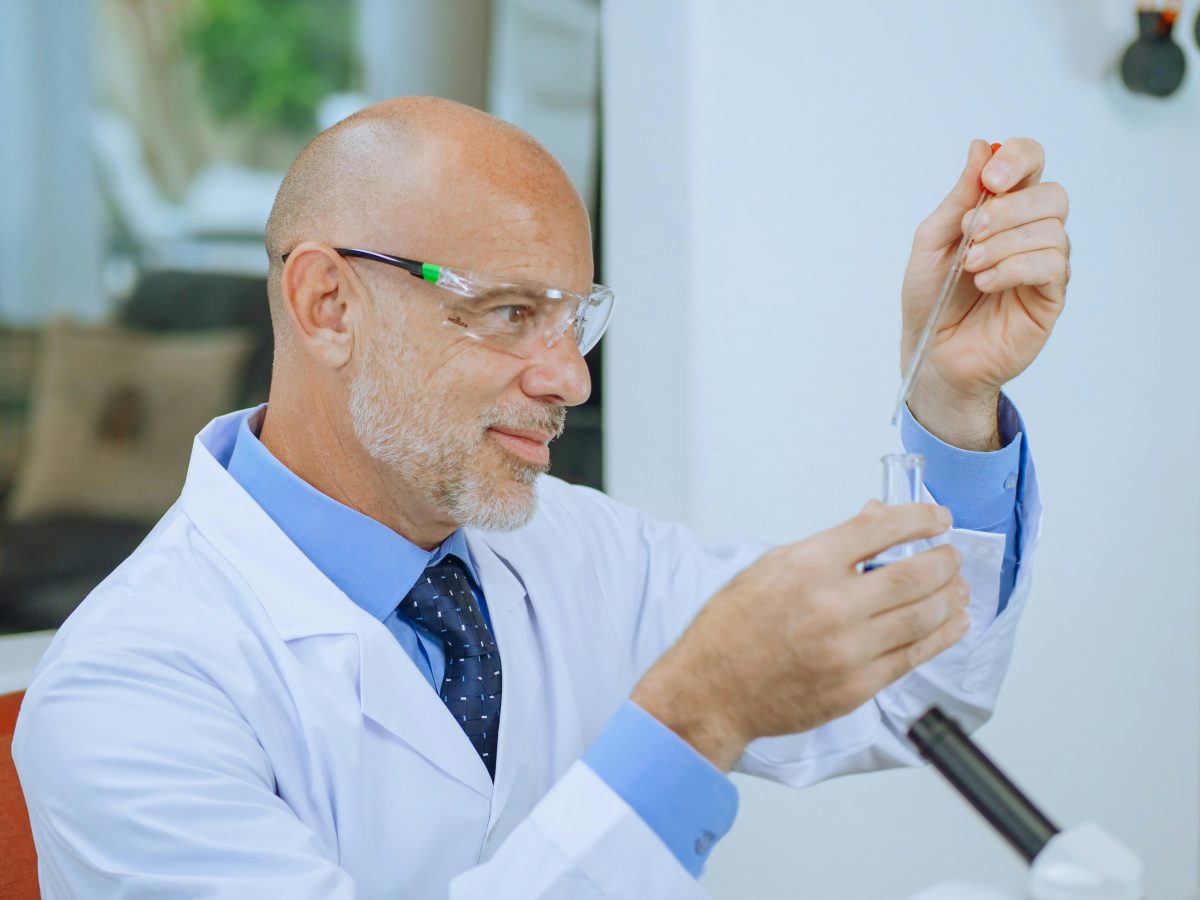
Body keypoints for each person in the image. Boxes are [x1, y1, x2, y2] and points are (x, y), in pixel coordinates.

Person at [13, 97, 1069, 899]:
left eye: (575, 322)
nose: (570, 380)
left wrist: (950, 392)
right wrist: (695, 713)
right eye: (512, 313)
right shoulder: (126, 699)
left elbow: (902, 694)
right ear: (328, 303)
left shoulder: (575, 546)